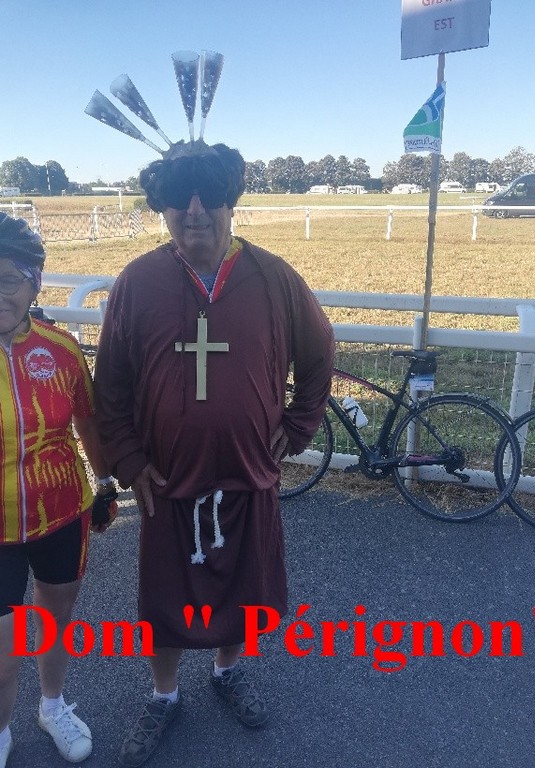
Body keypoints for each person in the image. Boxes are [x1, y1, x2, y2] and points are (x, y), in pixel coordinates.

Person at [94, 140, 335, 767]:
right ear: (163, 206)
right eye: (180, 197)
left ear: (231, 202)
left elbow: (319, 352)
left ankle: (228, 671)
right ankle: (164, 694)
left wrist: (299, 425)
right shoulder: (138, 282)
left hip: (247, 473)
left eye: (209, 196)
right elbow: (110, 383)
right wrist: (127, 459)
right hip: (166, 479)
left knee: (245, 588)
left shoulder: (273, 277)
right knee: (166, 597)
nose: (195, 210)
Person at [0, 213, 118, 768]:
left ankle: (52, 706)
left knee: (53, 620)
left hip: (62, 512)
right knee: (3, 654)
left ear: (34, 284)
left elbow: (88, 423)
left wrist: (106, 484)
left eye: (8, 280)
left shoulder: (61, 348)